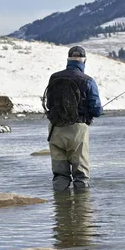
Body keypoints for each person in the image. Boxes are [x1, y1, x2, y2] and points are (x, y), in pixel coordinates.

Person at [46, 46, 103, 190]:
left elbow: (49, 103)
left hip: (55, 129)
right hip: (78, 130)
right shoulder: (88, 81)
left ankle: (60, 208)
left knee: (59, 175)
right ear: (84, 61)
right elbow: (96, 110)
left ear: (68, 60)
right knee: (81, 175)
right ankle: (81, 209)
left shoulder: (54, 77)